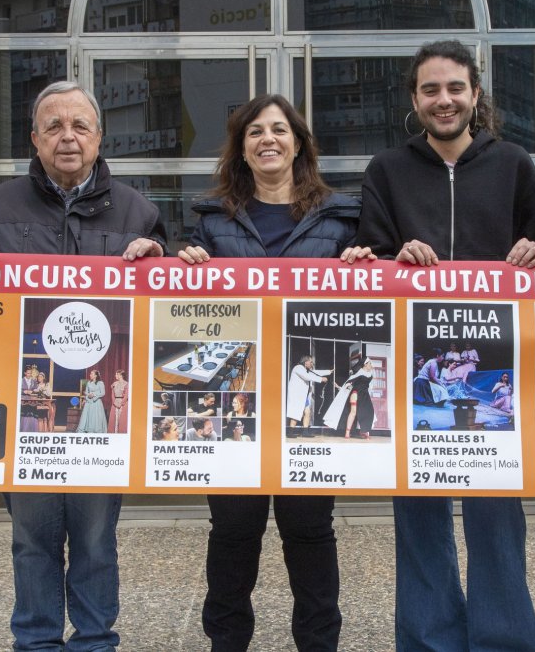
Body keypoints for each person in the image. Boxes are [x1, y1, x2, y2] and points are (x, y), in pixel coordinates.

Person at [0, 80, 166, 651]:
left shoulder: (138, 211)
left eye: (79, 126)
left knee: (97, 540)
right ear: (34, 139)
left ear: (99, 137)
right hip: (26, 417)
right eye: (54, 127)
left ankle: (96, 642)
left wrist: (159, 260)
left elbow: (164, 313)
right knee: (31, 540)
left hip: (102, 430)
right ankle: (37, 642)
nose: (66, 137)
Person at [350, 40, 535, 651]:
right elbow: (371, 254)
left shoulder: (514, 163)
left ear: (475, 94)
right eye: (431, 90)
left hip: (495, 372)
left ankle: (504, 641)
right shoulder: (387, 170)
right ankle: (430, 641)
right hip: (417, 367)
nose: (444, 100)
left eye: (455, 88)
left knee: (496, 520)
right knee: (420, 520)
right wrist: (392, 256)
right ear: (415, 99)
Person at [178, 93, 362, 651]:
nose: (268, 140)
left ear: (300, 143)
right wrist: (184, 264)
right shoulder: (210, 221)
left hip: (307, 410)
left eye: (280, 130)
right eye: (255, 131)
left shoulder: (341, 217)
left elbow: (366, 306)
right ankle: (226, 642)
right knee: (233, 533)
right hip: (239, 399)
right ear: (241, 147)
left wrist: (362, 265)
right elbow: (182, 315)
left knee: (310, 532)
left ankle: (319, 643)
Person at [286, 355, 333, 438]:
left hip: (303, 396)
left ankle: (305, 432)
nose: (312, 363)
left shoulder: (306, 370)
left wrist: (329, 371)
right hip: (296, 396)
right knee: (295, 413)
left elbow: (316, 372)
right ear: (305, 362)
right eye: (311, 362)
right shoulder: (298, 368)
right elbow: (307, 377)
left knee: (307, 412)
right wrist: (321, 379)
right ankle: (290, 432)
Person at [77, 369, 108, 434]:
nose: (90, 375)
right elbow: (86, 392)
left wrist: (94, 394)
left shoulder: (100, 383)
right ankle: (88, 429)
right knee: (88, 416)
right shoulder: (89, 383)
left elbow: (103, 393)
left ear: (95, 375)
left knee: (95, 416)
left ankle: (96, 430)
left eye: (92, 374)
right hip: (89, 402)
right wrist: (86, 397)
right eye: (90, 374)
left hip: (96, 402)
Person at [108, 369, 128, 434]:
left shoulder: (126, 384)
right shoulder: (114, 384)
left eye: (117, 374)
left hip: (123, 404)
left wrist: (121, 403)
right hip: (115, 403)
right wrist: (114, 402)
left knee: (122, 420)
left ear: (121, 375)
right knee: (114, 419)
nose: (115, 375)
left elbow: (127, 395)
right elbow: (112, 394)